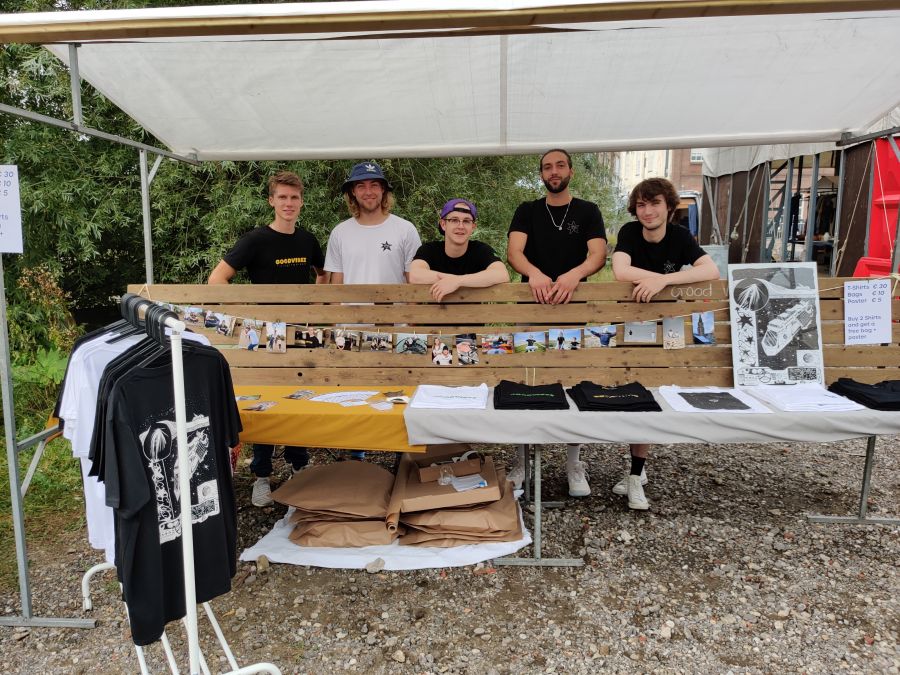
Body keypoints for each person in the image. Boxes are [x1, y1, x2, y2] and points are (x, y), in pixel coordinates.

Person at [208, 170, 326, 508]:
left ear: (301, 202)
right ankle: (262, 474)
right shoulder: (255, 240)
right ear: (271, 201)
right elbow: (217, 279)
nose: (289, 203)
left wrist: (313, 307)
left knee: (298, 400)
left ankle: (298, 466)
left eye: (294, 197)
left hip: (300, 334)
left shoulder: (308, 241)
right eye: (282, 197)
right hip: (264, 337)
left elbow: (323, 276)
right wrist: (247, 314)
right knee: (268, 400)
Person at [612, 177, 720, 510]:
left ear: (669, 206)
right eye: (641, 205)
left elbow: (711, 270)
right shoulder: (629, 233)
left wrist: (664, 280)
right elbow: (620, 271)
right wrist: (659, 279)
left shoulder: (680, 236)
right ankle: (636, 468)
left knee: (652, 395)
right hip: (633, 324)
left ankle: (635, 473)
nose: (648, 211)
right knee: (633, 394)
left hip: (666, 325)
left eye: (655, 203)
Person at [507, 149, 608, 497]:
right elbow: (514, 252)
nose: (554, 171)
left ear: (571, 172)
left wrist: (574, 275)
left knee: (575, 383)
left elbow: (598, 254)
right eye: (547, 167)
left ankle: (573, 463)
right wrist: (534, 273)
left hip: (573, 306)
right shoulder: (527, 210)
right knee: (526, 381)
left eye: (560, 165)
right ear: (541, 174)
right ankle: (520, 460)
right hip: (531, 308)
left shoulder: (588, 210)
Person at [324, 161, 421, 284]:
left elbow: (414, 282)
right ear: (353, 191)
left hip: (394, 298)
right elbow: (337, 286)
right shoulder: (339, 233)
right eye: (361, 186)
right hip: (351, 298)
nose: (368, 192)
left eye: (374, 185)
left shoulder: (406, 230)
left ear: (383, 189)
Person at [409, 198, 509, 301]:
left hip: (474, 312)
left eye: (466, 221)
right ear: (443, 224)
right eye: (454, 220)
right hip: (435, 311)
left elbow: (501, 274)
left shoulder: (481, 250)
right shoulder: (429, 250)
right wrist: (453, 280)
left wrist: (458, 281)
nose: (461, 226)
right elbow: (415, 274)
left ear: (473, 227)